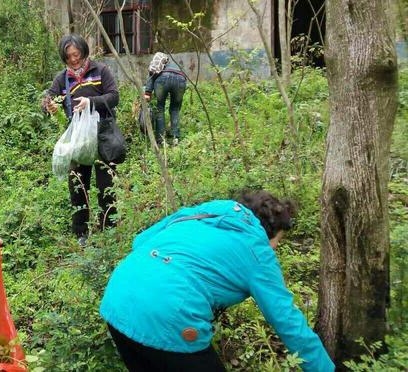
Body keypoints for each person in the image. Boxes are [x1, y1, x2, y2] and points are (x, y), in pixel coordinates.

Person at [100, 190, 335, 371]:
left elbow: (139, 241)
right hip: (168, 316)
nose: (274, 250)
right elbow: (288, 322)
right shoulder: (257, 250)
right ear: (269, 234)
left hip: (117, 300)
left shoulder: (201, 213)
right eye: (277, 243)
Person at [43, 34, 121, 246]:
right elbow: (48, 98)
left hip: (102, 134)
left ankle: (110, 229)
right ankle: (81, 234)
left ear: (84, 52)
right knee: (78, 186)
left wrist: (91, 101)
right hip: (78, 138)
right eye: (68, 57)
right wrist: (49, 106)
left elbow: (114, 97)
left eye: (76, 55)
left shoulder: (100, 71)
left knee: (107, 185)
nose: (74, 60)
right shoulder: (62, 79)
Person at [144, 53, 187, 146]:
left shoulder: (157, 61)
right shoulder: (176, 63)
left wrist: (148, 92)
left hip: (162, 79)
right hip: (181, 79)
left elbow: (152, 73)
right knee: (175, 110)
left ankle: (161, 140)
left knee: (160, 109)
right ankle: (176, 138)